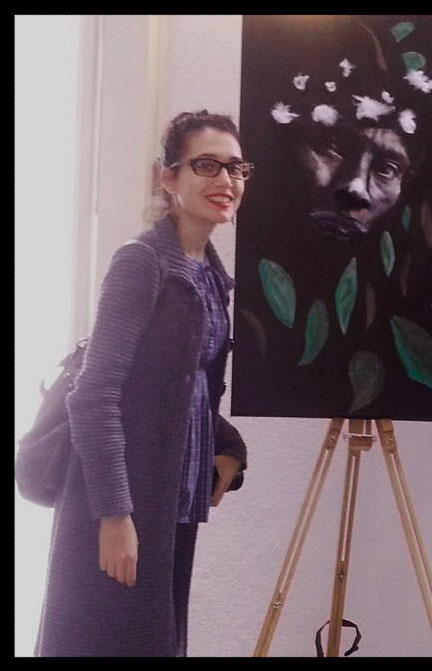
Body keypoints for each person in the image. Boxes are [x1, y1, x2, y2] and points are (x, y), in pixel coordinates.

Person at [35, 110, 251, 657]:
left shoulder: (208, 274)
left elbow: (182, 388)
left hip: (170, 502)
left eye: (235, 168)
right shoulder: (142, 263)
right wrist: (113, 514)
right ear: (168, 177)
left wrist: (230, 449)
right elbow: (94, 394)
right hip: (121, 504)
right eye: (207, 165)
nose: (226, 181)